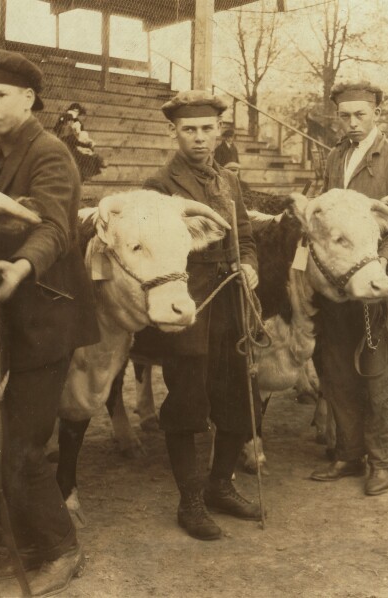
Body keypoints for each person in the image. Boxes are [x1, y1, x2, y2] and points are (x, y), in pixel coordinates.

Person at [0, 49, 99, 596]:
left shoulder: (51, 153)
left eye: (0, 96)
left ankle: (61, 549)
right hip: (6, 313)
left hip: (47, 313)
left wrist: (20, 267)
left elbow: (55, 228)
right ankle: (9, 519)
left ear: (28, 99)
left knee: (20, 444)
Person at [140, 90, 262, 541]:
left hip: (232, 304)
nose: (198, 138)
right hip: (190, 302)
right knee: (188, 401)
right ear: (174, 132)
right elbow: (157, 250)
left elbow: (245, 236)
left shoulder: (228, 182)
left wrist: (249, 264)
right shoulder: (159, 185)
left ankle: (219, 486)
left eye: (207, 129)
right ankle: (189, 501)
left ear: (219, 131)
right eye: (189, 130)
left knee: (238, 394)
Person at [308, 82, 388, 495]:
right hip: (338, 283)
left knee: (379, 372)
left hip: (379, 283)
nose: (352, 123)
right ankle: (348, 453)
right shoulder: (335, 157)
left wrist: (380, 265)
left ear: (377, 115)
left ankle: (381, 460)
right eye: (345, 115)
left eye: (360, 115)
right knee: (336, 368)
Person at [53, 102, 106, 181]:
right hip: (69, 144)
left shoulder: (78, 122)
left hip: (76, 142)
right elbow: (61, 132)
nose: (75, 113)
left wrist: (85, 142)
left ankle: (84, 175)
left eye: (77, 111)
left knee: (86, 155)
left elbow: (81, 134)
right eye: (74, 110)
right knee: (80, 157)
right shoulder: (65, 120)